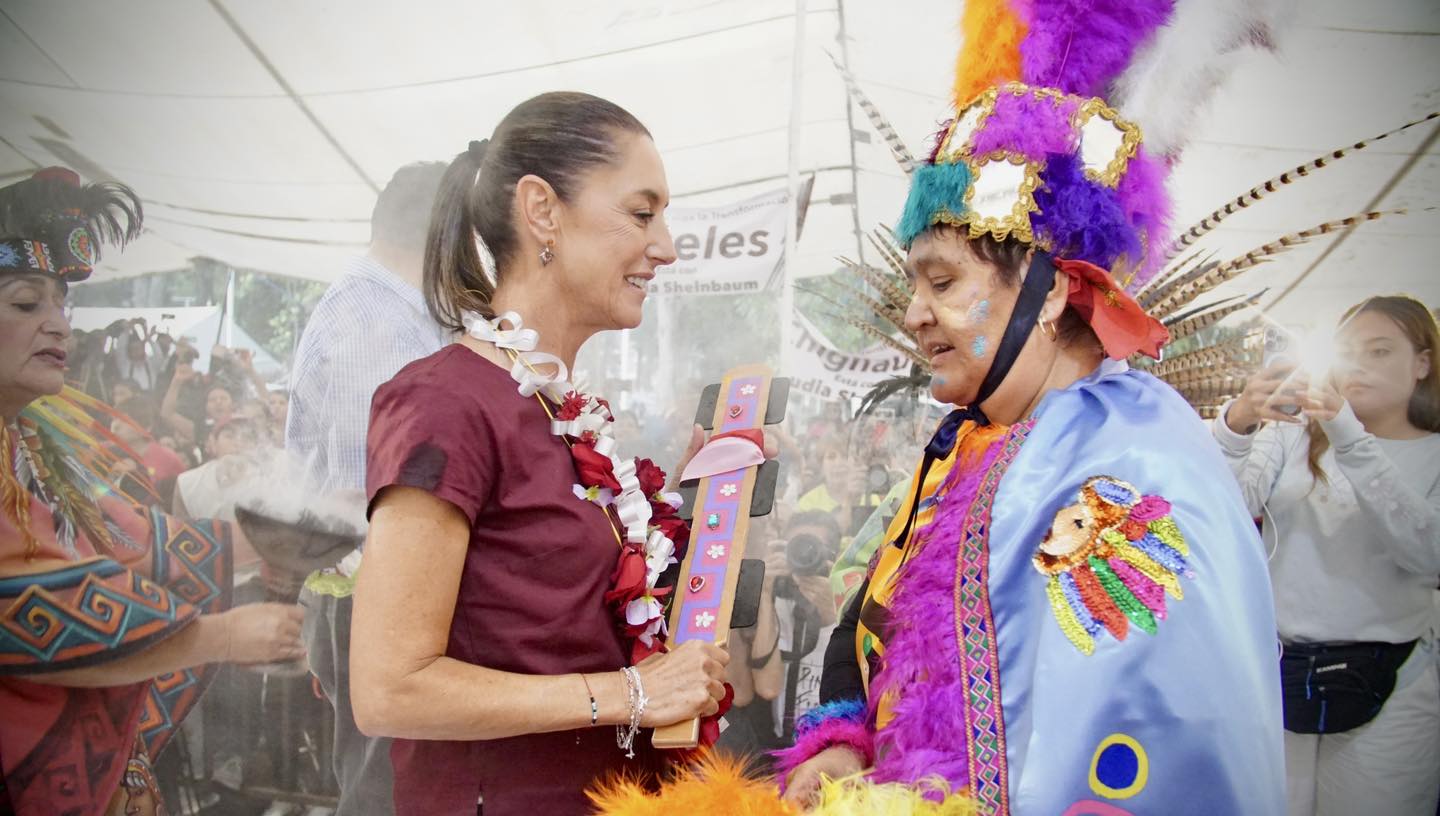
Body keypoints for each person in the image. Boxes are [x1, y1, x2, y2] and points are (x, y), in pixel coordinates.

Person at [773, 5, 1287, 812]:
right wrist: (845, 741)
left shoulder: (1137, 464)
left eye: (942, 282)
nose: (912, 313)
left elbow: (1156, 746)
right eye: (915, 283)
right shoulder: (971, 442)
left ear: (1047, 294)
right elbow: (872, 615)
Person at [349, 92, 727, 816]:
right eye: (642, 213)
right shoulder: (446, 401)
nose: (667, 245)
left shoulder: (560, 407)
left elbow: (562, 621)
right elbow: (389, 688)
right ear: (543, 210)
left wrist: (708, 512)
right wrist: (632, 695)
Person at [0, 167, 304, 815]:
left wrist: (284, 539)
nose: (58, 325)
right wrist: (218, 636)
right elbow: (19, 609)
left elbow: (131, 536)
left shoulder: (33, 443)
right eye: (28, 304)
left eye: (61, 304)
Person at [1213, 295, 1440, 815]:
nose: (1359, 365)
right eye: (1349, 351)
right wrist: (1239, 423)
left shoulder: (1431, 454)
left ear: (1422, 363)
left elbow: (1425, 552)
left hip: (1391, 683)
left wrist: (1349, 437)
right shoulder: (1292, 436)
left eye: (1380, 351)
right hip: (1281, 672)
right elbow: (1225, 511)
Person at [285, 160, 448, 816]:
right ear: (447, 233)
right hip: (376, 594)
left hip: (377, 596)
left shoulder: (389, 308)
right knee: (390, 792)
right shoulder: (371, 320)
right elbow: (372, 498)